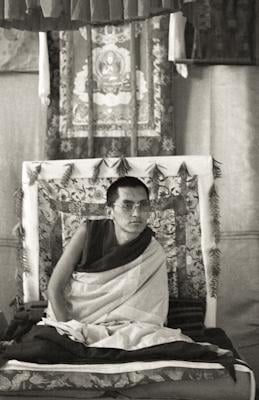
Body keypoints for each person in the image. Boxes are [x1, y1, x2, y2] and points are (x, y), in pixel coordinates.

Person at [45, 176, 190, 350]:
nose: (136, 213)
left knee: (161, 340)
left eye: (143, 206)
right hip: (72, 319)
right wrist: (68, 330)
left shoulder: (153, 250)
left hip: (125, 328)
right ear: (110, 211)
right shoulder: (88, 232)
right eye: (127, 205)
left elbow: (150, 314)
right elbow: (55, 287)